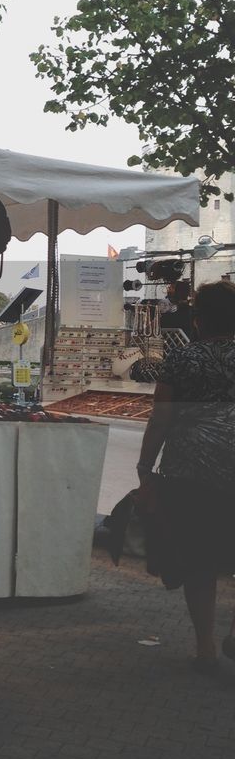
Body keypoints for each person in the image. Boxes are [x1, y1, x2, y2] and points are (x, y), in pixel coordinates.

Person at [136, 280, 235, 673]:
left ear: (198, 321)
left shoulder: (183, 360)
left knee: (201, 560)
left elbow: (160, 420)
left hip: (192, 472)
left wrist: (146, 468)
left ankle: (206, 648)